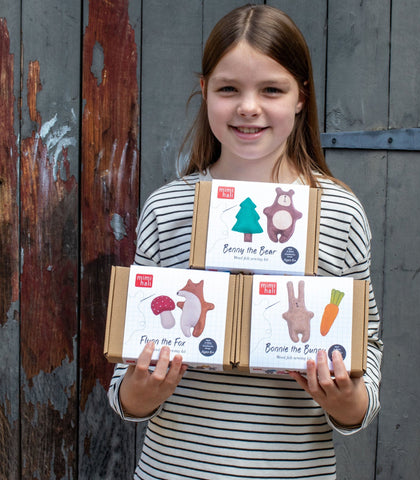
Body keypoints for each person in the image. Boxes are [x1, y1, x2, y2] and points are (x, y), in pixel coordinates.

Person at [109, 4, 382, 479]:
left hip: (295, 469)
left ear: (301, 96)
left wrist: (350, 401)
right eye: (228, 88)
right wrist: (140, 391)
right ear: (205, 91)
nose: (248, 107)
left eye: (271, 89)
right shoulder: (168, 209)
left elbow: (367, 343)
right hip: (175, 469)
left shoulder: (338, 212)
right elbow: (127, 365)